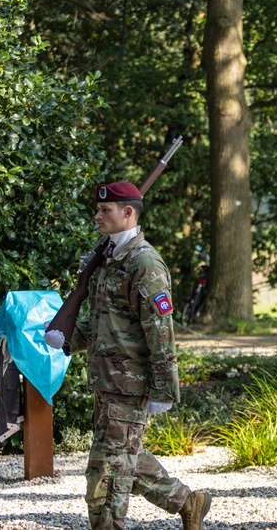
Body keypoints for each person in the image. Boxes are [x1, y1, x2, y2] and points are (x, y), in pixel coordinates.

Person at [44, 182, 211, 530]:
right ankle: (187, 501)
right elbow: (108, 321)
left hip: (130, 385)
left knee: (105, 474)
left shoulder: (144, 262)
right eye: (99, 209)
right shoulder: (107, 258)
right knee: (122, 458)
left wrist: (165, 389)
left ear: (128, 213)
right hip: (106, 380)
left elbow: (160, 331)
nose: (97, 215)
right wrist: (67, 336)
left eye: (105, 210)